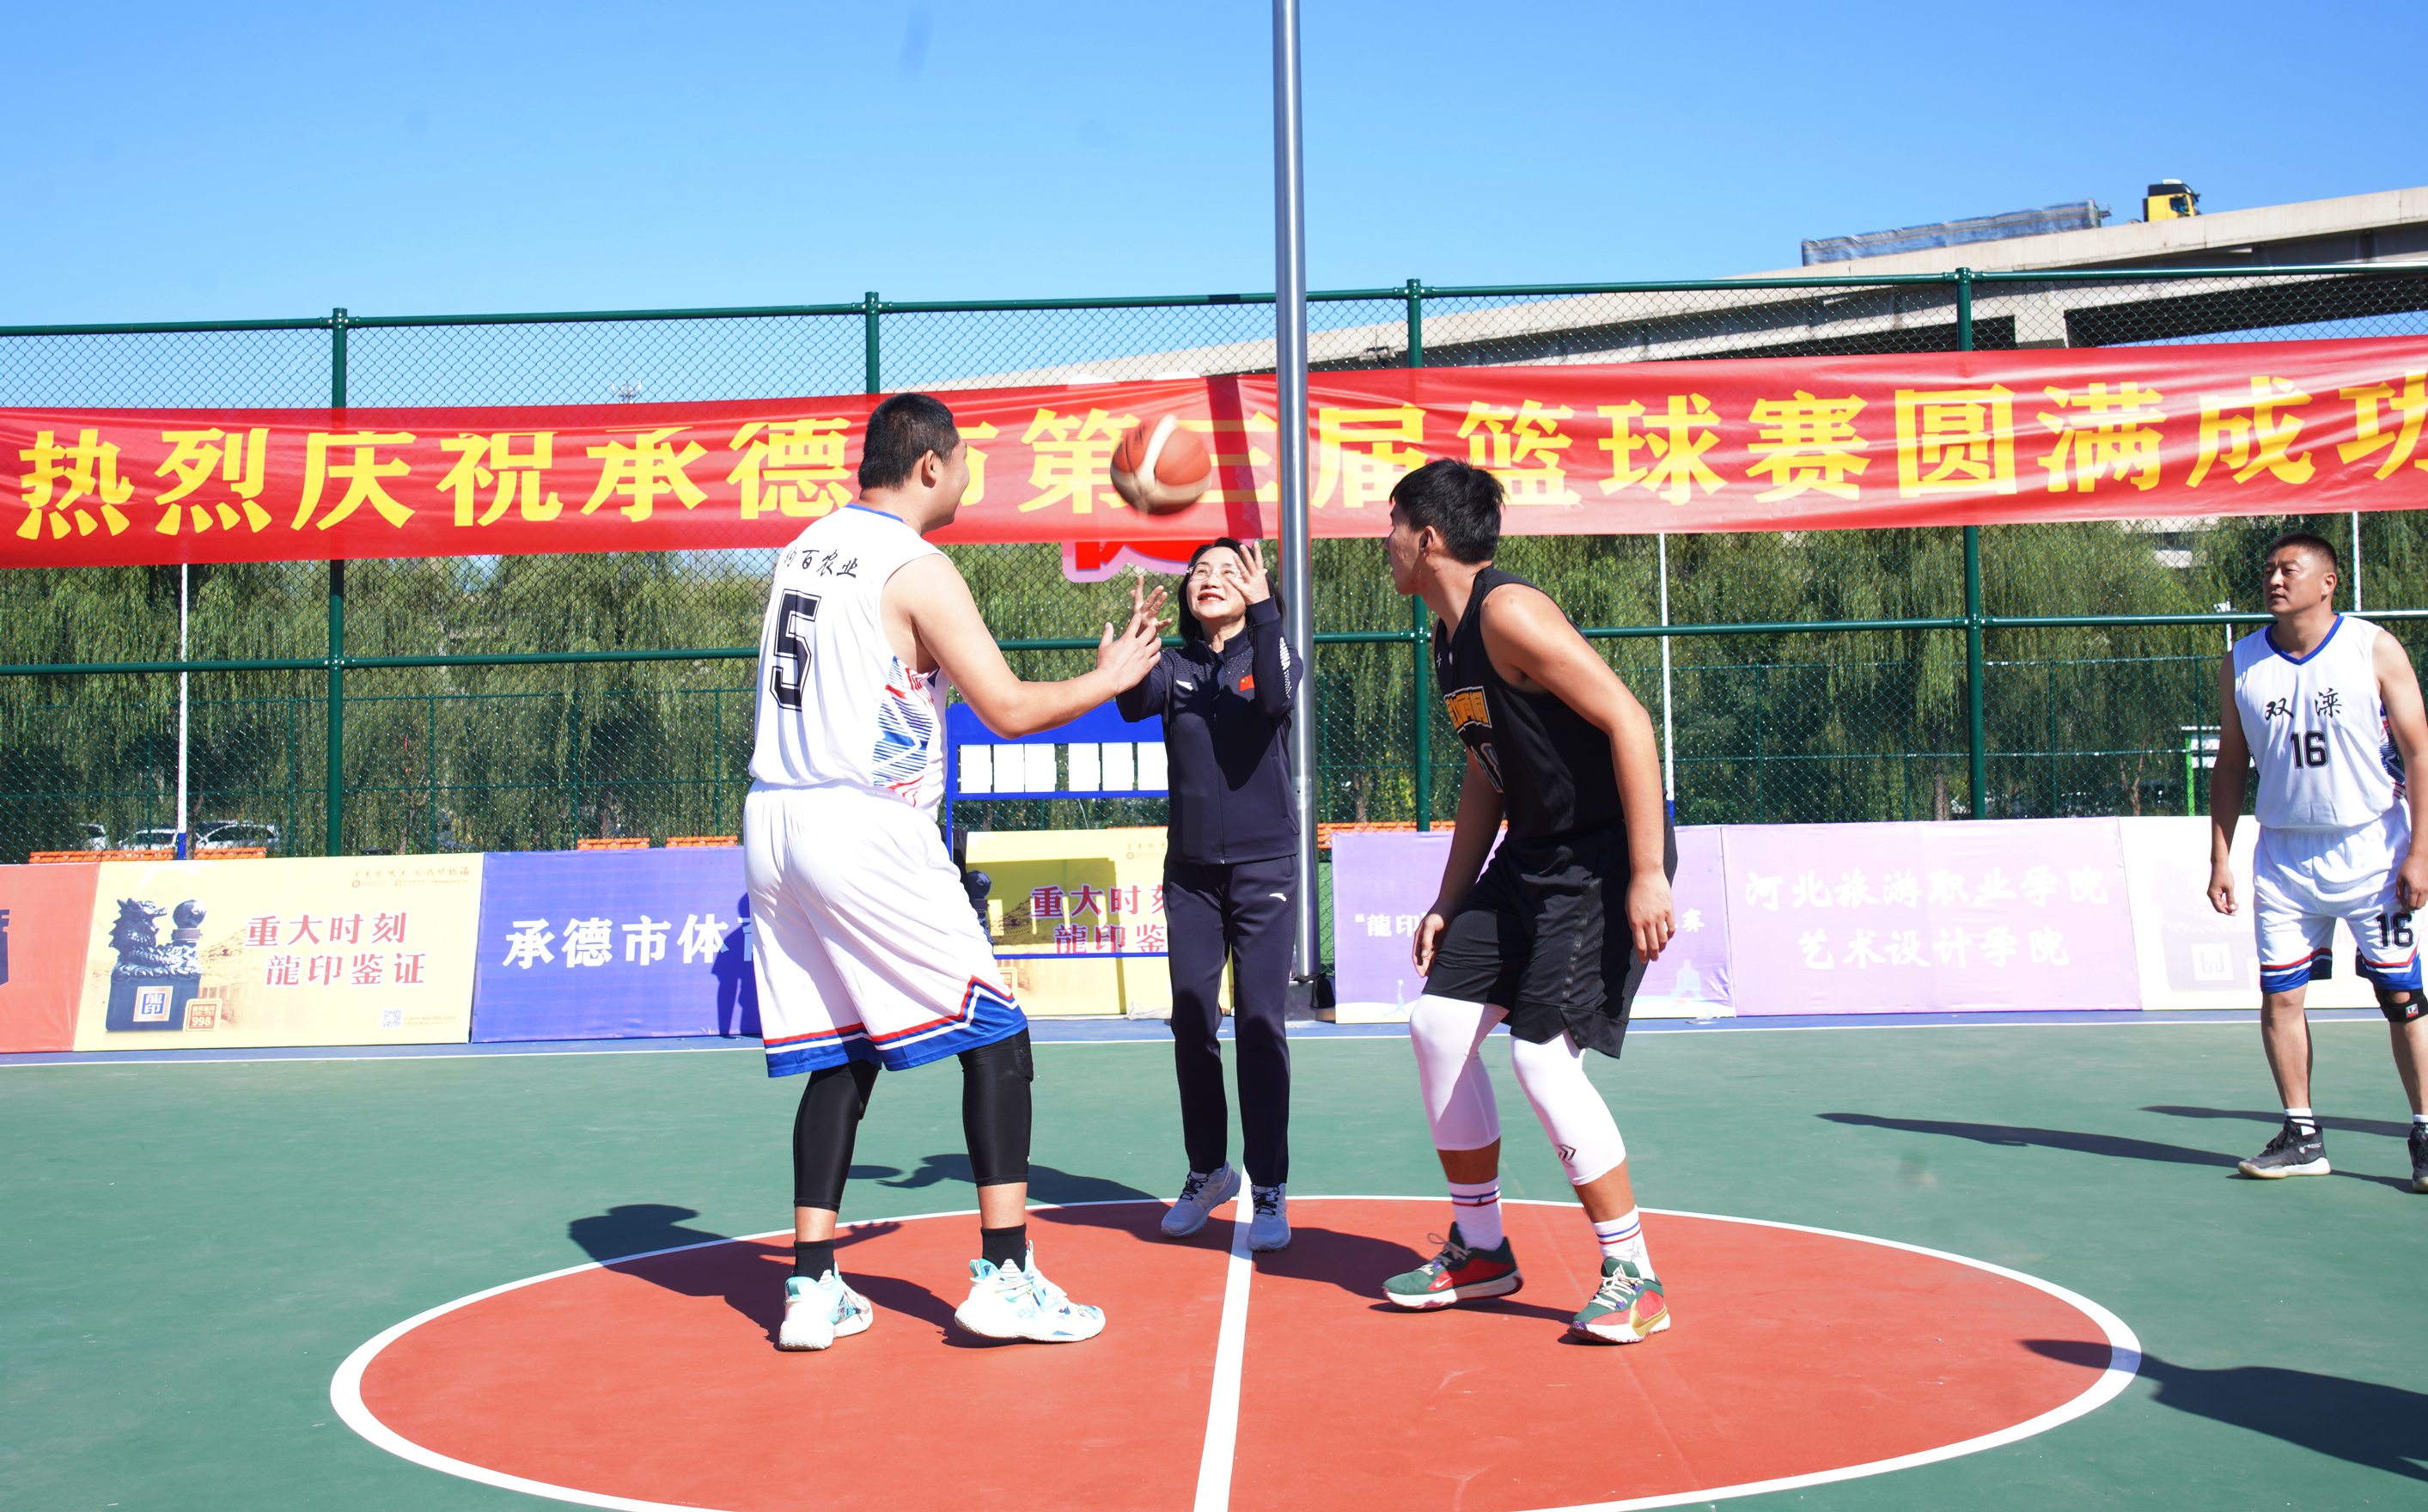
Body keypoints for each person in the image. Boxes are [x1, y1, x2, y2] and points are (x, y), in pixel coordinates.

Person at [744, 391, 1168, 1350]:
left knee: (842, 1049)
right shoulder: (916, 565)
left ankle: (811, 1284)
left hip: (773, 818)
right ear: (930, 465)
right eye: (965, 458)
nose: (971, 475)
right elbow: (1008, 707)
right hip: (863, 822)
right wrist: (1110, 677)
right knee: (998, 1033)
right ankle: (1007, 1276)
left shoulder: (804, 548)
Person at [1376, 457, 1679, 1344]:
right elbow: (1489, 771)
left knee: (1543, 1059)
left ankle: (1636, 1276)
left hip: (1599, 856)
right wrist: (1450, 898)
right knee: (1438, 1025)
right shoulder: (1448, 635)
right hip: (1532, 854)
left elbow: (1629, 719)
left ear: (1427, 537)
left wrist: (1648, 870)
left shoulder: (1508, 611)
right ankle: (1482, 1249)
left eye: (1392, 527)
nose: (1384, 544)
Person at [2205, 531, 2428, 1191]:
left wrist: (2420, 850)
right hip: (2283, 856)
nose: (2275, 580)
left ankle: (2425, 1132)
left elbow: (2419, 752)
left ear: (2328, 582)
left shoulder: (2372, 647)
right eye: (2269, 570)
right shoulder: (2243, 661)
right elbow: (2231, 763)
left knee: (2402, 997)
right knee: (2280, 997)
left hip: (2372, 850)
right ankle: (2301, 1135)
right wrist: (2220, 857)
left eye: (2289, 570)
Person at [1115, 537, 1303, 1253]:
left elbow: (1276, 699)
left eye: (1228, 571)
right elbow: (1133, 703)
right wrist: (1132, 651)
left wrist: (1266, 615)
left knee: (1260, 1024)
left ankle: (1270, 1184)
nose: (1211, 579)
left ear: (1253, 589)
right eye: (1201, 571)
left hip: (1265, 869)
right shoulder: (1174, 666)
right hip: (1191, 874)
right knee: (1192, 1020)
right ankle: (1208, 1171)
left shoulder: (1272, 650)